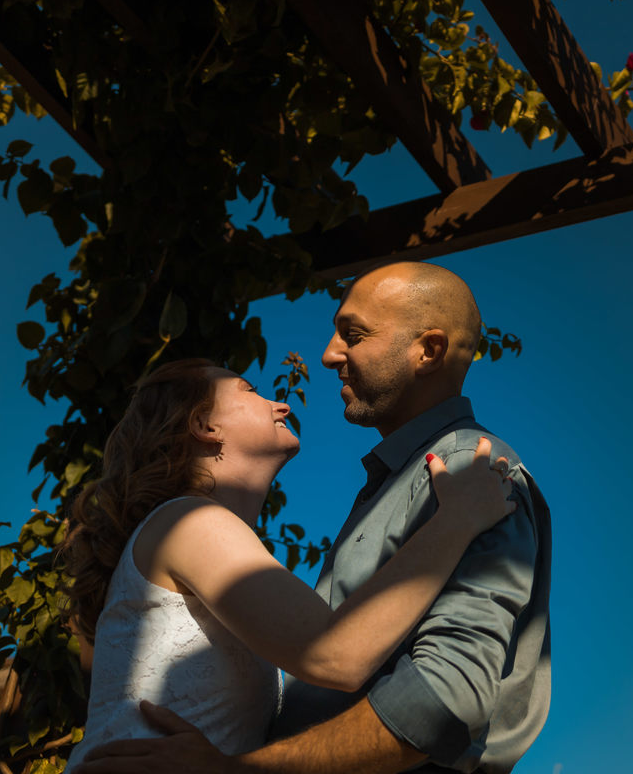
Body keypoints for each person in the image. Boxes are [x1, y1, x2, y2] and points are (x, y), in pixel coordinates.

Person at [76, 262, 552, 774]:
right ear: (202, 427)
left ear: (428, 350)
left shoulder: (466, 470)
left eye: (354, 334)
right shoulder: (191, 524)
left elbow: (443, 697)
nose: (327, 355)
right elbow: (335, 656)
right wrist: (456, 521)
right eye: (249, 390)